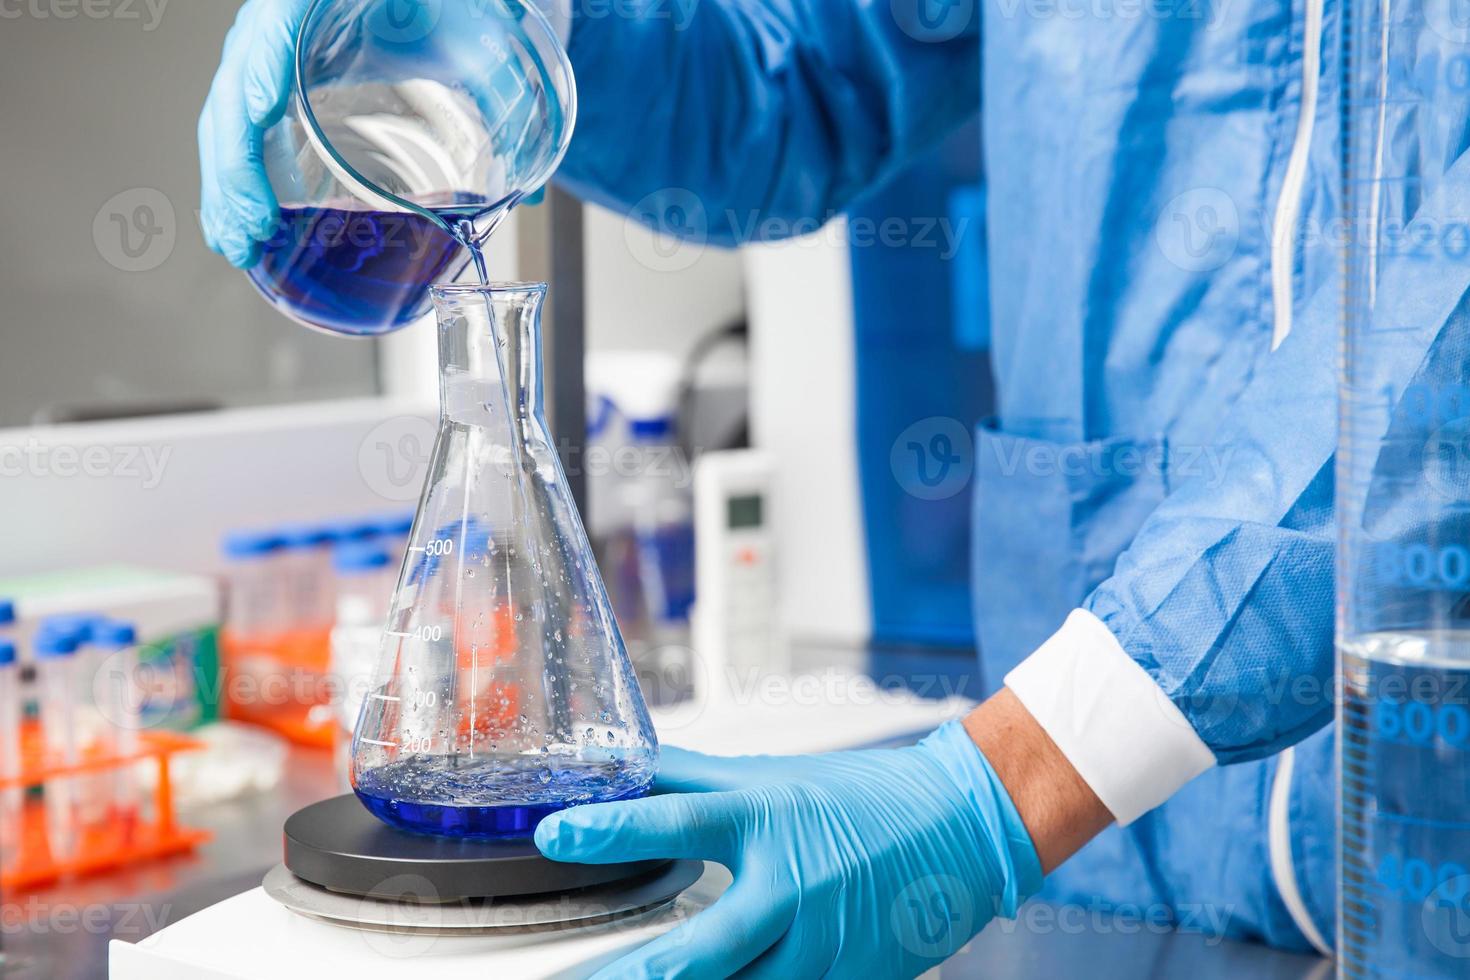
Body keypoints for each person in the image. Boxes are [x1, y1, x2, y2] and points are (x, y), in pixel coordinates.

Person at [198, 0, 1352, 973]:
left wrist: (1011, 778)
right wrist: (530, 20)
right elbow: (793, 82)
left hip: (1402, 836)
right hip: (1103, 875)